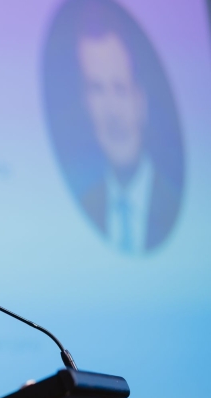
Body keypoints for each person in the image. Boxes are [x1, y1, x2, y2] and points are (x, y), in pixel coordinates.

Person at [75, 7, 180, 253]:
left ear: (141, 99)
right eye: (97, 90)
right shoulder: (83, 206)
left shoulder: (175, 207)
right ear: (85, 103)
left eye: (120, 88)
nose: (112, 111)